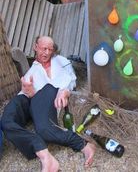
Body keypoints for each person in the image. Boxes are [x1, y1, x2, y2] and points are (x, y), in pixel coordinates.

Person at [1, 36, 95, 171]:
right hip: (29, 100)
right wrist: (28, 92)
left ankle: (84, 145)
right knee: (6, 121)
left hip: (49, 97)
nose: (46, 52)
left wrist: (65, 91)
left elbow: (72, 79)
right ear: (35, 47)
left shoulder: (61, 61)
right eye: (43, 48)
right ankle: (44, 154)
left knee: (44, 129)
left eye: (50, 49)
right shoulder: (31, 72)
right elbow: (29, 94)